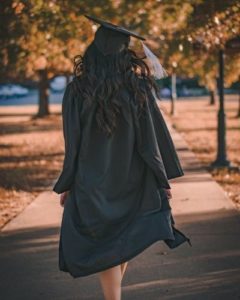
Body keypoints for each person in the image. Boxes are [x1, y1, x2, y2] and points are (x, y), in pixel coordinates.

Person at [53, 15, 191, 300]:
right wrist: (160, 178)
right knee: (117, 243)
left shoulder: (76, 91)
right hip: (133, 178)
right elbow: (150, 142)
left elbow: (73, 144)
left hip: (93, 182)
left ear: (92, 52)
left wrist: (68, 182)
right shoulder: (138, 89)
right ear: (124, 53)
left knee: (113, 244)